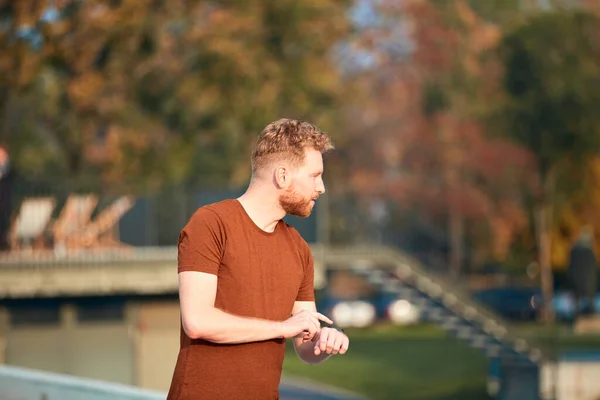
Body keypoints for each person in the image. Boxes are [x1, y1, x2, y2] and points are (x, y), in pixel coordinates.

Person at [167, 119, 350, 400]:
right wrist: (281, 328)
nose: (322, 187)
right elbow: (198, 321)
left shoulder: (299, 249)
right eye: (315, 176)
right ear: (283, 176)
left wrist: (322, 342)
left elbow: (304, 343)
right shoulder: (211, 223)